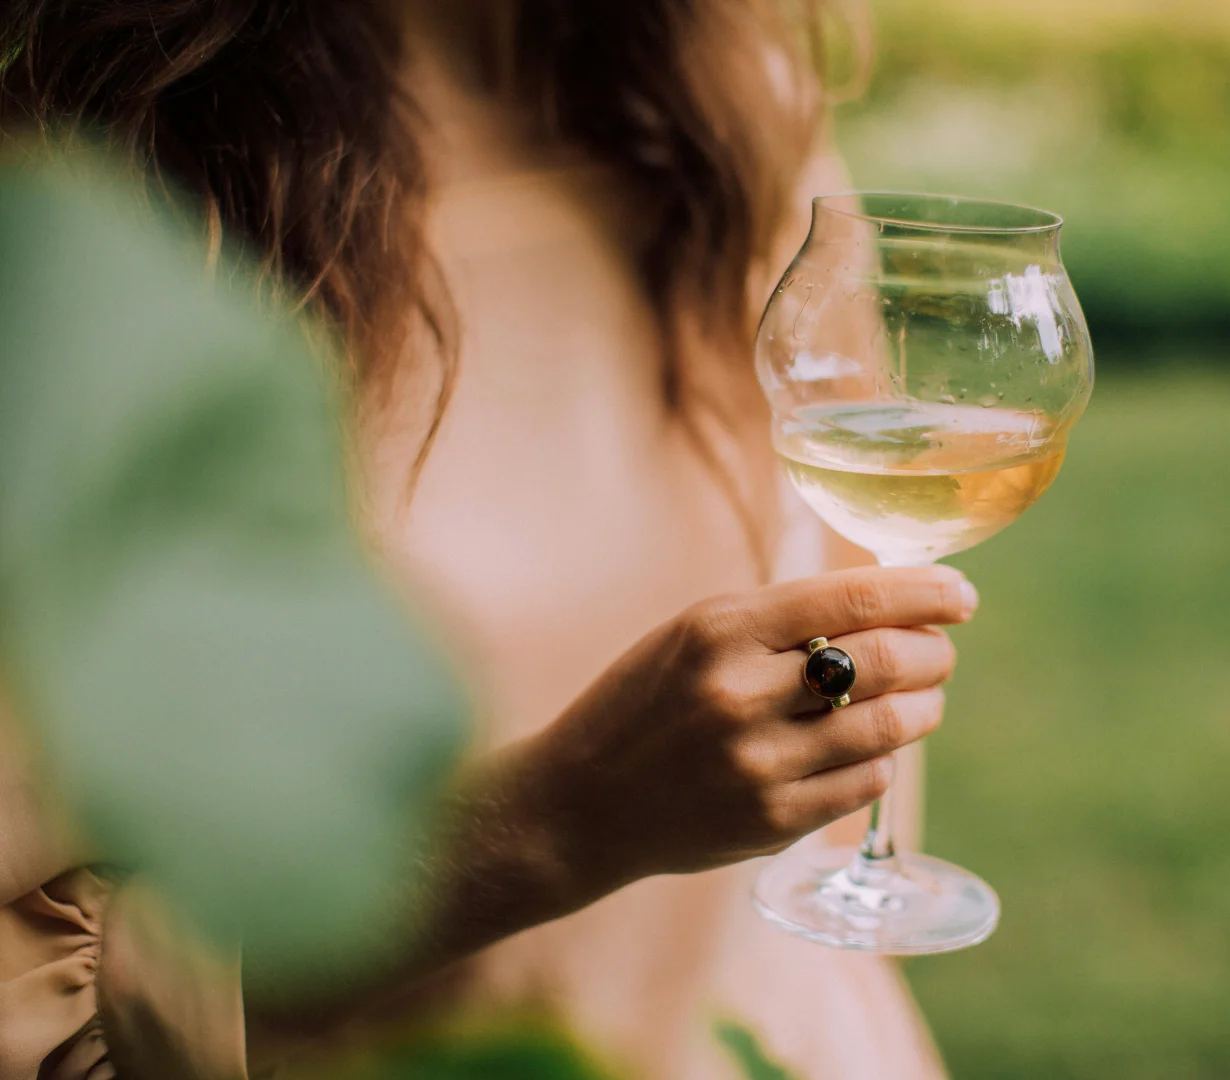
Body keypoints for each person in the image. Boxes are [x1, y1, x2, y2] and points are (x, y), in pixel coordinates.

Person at [0, 3, 962, 1077]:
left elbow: (841, 563)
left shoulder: (735, 96)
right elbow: (34, 982)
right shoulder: (102, 195)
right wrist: (558, 824)